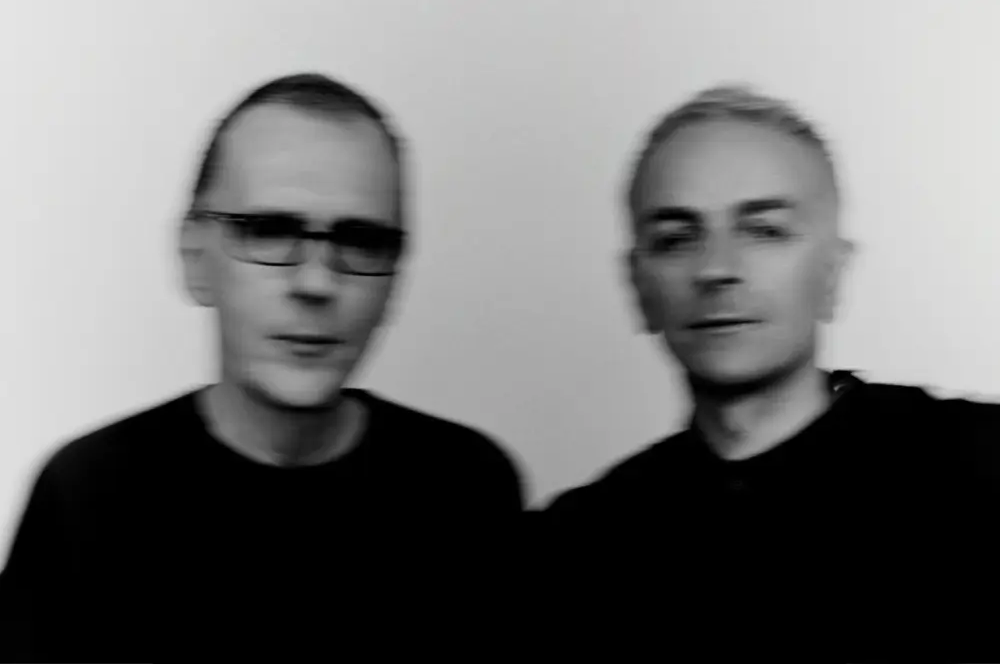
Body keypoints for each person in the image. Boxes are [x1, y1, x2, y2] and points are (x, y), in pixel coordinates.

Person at [0, 73, 524, 662]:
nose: (317, 282)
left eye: (362, 240)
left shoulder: (466, 489)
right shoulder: (88, 494)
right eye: (269, 231)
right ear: (194, 257)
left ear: (396, 279)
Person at [541, 85, 999, 653]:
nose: (717, 269)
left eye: (764, 230)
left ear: (832, 273)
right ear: (637, 286)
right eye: (676, 239)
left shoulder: (981, 465)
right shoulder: (578, 541)